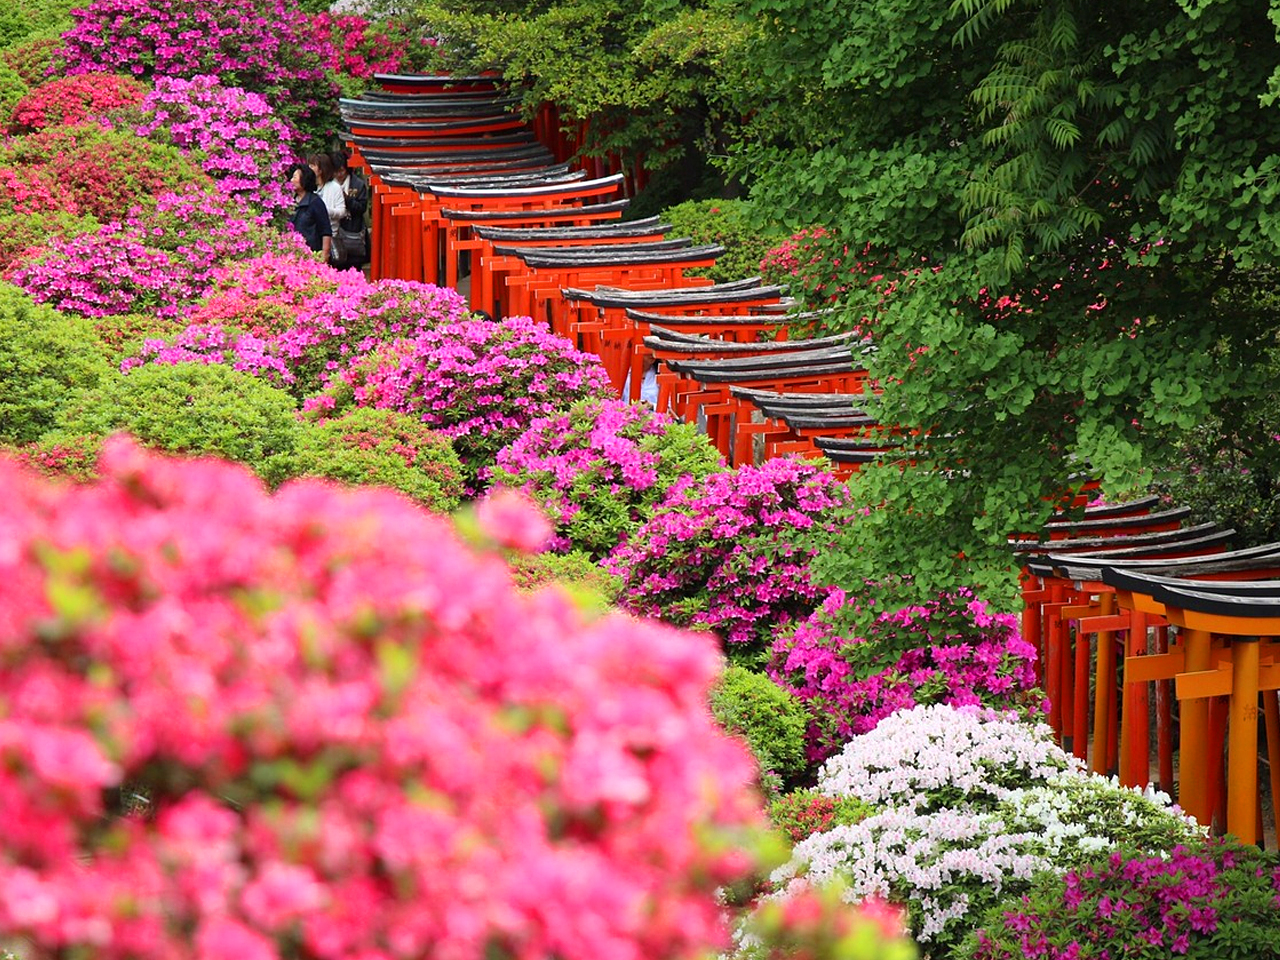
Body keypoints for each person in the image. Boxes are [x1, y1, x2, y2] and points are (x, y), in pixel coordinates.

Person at [331, 150, 369, 269]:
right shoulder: (329, 184)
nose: (339, 174)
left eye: (341, 171)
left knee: (354, 265)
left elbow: (362, 207)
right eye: (336, 171)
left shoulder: (358, 184)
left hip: (353, 232)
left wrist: (347, 200)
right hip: (335, 231)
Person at [286, 163, 332, 260]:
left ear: (304, 179)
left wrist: (324, 255)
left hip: (312, 254)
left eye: (295, 177)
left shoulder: (315, 202)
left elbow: (326, 231)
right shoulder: (290, 202)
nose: (291, 180)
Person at [307, 153, 346, 264]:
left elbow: (342, 211)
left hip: (330, 234)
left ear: (321, 169)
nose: (310, 168)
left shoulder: (335, 187)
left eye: (313, 165)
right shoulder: (309, 186)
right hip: (311, 235)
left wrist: (324, 211)